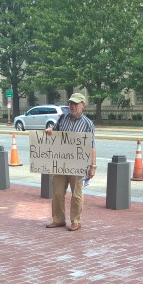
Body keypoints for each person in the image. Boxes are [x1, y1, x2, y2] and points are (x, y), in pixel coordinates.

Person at [45, 93, 96, 231]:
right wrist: (49, 130)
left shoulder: (87, 124)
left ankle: (75, 221)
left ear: (83, 105)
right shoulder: (62, 118)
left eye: (76, 103)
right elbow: (54, 132)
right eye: (71, 103)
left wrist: (93, 166)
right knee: (57, 192)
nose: (72, 106)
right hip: (61, 163)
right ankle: (58, 219)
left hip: (78, 164)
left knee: (77, 194)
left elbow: (92, 146)